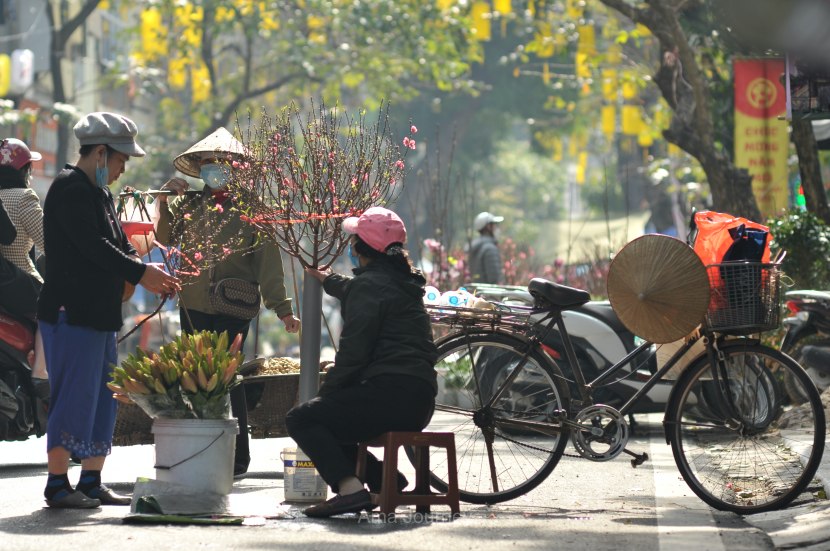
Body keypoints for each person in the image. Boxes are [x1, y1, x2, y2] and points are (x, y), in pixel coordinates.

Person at [37, 112, 181, 509]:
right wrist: (139, 272)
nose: (121, 171)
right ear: (100, 154)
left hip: (100, 315)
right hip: (72, 313)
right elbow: (93, 247)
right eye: (120, 161)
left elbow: (118, 245)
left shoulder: (98, 193)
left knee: (103, 397)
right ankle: (57, 484)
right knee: (74, 396)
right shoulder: (70, 189)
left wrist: (141, 268)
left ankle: (91, 480)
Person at [154, 127, 301, 476]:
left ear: (235, 168)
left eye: (220, 163)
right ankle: (200, 449)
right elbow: (164, 240)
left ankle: (238, 457)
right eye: (207, 163)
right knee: (196, 378)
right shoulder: (189, 203)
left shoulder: (253, 210)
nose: (214, 169)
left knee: (227, 379)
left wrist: (283, 309)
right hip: (192, 304)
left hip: (234, 307)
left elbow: (269, 263)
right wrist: (164, 201)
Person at [286, 206, 438, 518]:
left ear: (358, 249)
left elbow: (354, 354)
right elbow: (360, 289)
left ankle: (351, 491)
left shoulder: (370, 286)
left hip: (389, 397)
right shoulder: (404, 282)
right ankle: (386, 479)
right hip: (420, 400)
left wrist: (325, 395)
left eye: (353, 243)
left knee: (304, 418)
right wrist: (329, 280)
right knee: (328, 417)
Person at [0, 138, 49, 392]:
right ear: (23, 170)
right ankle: (41, 371)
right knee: (52, 304)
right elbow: (49, 242)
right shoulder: (24, 197)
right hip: (19, 278)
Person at [469, 211, 505, 284]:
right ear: (488, 227)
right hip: (487, 294)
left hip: (476, 292)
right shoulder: (490, 249)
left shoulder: (476, 246)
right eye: (494, 225)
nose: (496, 228)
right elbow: (494, 279)